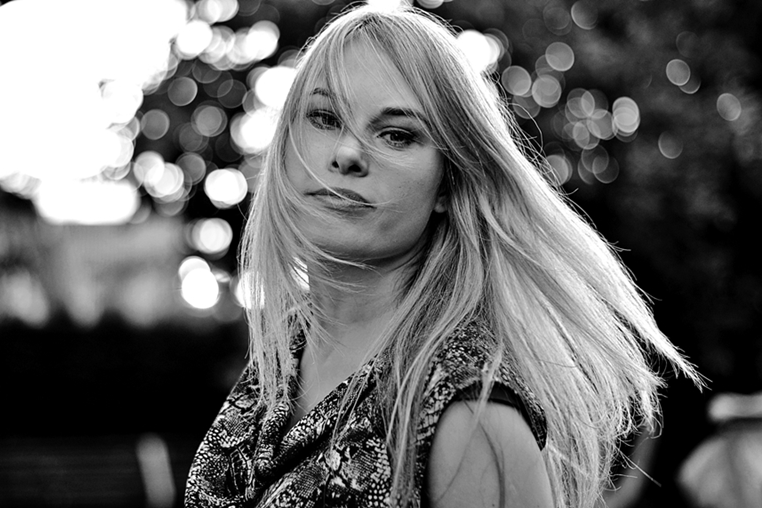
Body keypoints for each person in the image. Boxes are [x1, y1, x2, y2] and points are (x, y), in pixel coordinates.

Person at [185, 4, 702, 507]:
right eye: (324, 117)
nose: (346, 154)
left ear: (448, 185)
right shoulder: (280, 355)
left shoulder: (468, 407)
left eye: (396, 134)